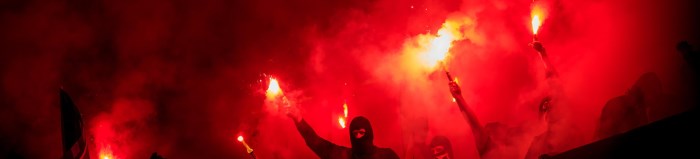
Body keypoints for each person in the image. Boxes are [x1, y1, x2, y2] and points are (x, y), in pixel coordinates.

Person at [283, 101, 400, 159]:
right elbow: (316, 142)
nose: (358, 136)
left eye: (361, 132)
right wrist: (298, 119)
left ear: (369, 133)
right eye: (354, 133)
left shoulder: (386, 156)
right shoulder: (345, 156)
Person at [595, 72, 663, 139]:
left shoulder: (641, 113)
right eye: (654, 93)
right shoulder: (616, 106)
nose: (655, 99)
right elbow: (603, 136)